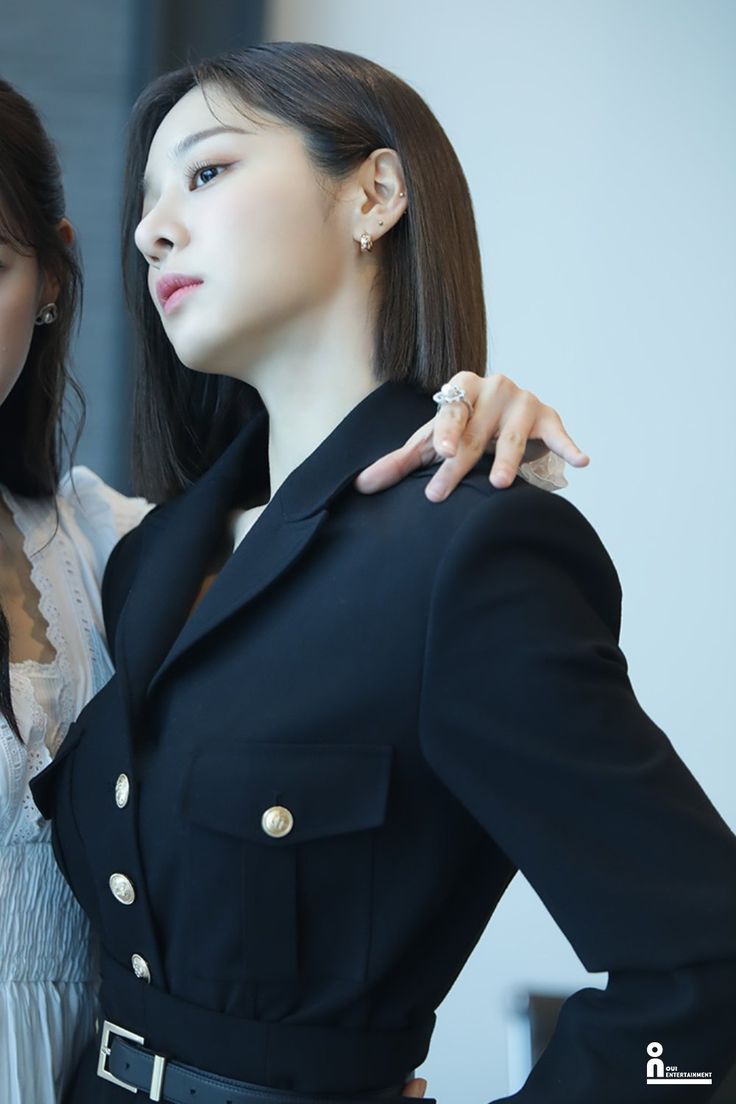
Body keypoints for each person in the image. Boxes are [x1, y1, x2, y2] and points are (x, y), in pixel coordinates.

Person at [32, 41, 736, 1104]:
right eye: (146, 204)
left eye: (207, 171)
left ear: (374, 195)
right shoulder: (145, 559)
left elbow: (704, 983)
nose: (151, 230)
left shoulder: (470, 555)